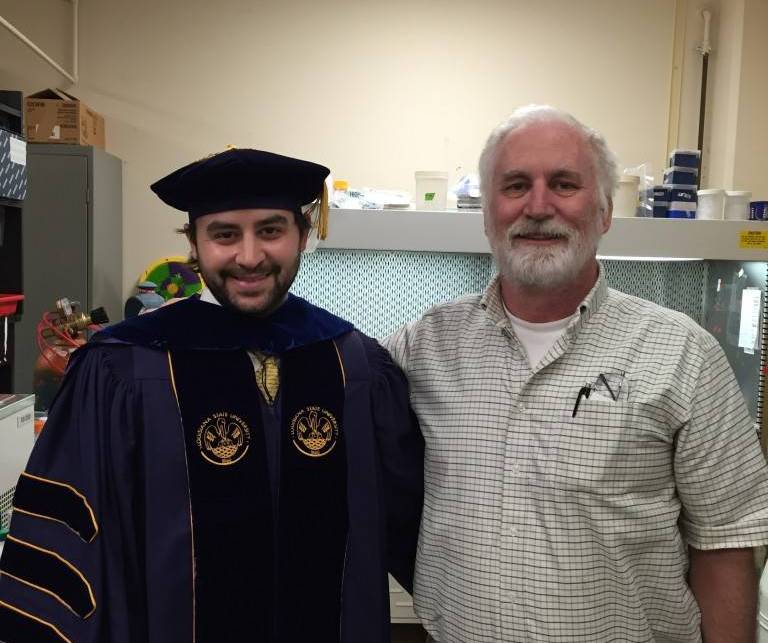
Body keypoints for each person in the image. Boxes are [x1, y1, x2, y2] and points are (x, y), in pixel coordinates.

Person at [0, 148, 424, 643]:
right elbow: (69, 540)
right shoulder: (122, 367)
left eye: (271, 230)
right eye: (225, 234)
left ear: (303, 237)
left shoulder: (353, 363)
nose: (249, 256)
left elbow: (414, 520)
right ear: (194, 246)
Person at [384, 105, 768, 642]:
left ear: (606, 211)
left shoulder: (683, 354)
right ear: (488, 213)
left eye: (564, 184)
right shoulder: (424, 346)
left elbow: (726, 543)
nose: (538, 206)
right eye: (515, 185)